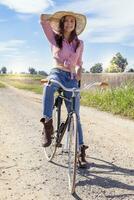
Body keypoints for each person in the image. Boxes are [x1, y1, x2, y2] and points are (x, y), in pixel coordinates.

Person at [40, 11, 88, 166]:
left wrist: (80, 70)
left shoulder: (79, 44)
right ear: (62, 23)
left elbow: (79, 62)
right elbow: (43, 20)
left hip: (72, 78)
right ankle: (47, 124)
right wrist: (53, 17)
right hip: (57, 73)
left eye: (72, 21)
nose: (69, 23)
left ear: (75, 25)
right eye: (66, 21)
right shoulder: (55, 37)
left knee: (76, 115)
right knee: (48, 86)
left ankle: (81, 149)